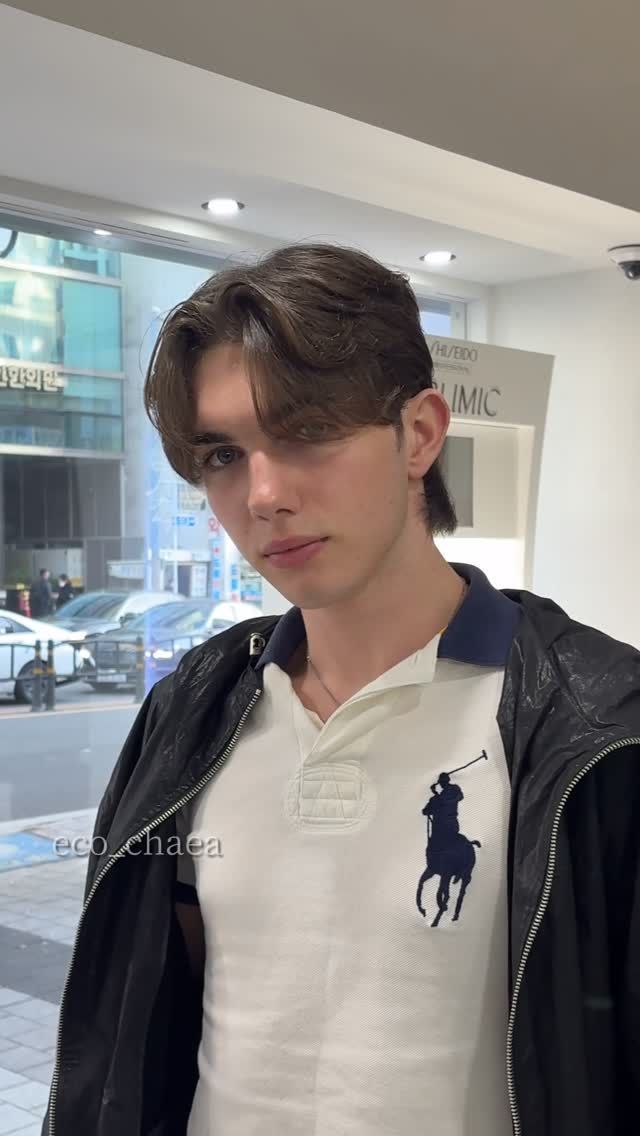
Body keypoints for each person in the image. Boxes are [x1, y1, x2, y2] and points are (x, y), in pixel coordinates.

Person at [42, 244, 640, 1136]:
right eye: (221, 454)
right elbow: (134, 1027)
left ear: (422, 433)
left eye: (307, 432)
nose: (264, 493)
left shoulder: (597, 725)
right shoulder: (195, 710)